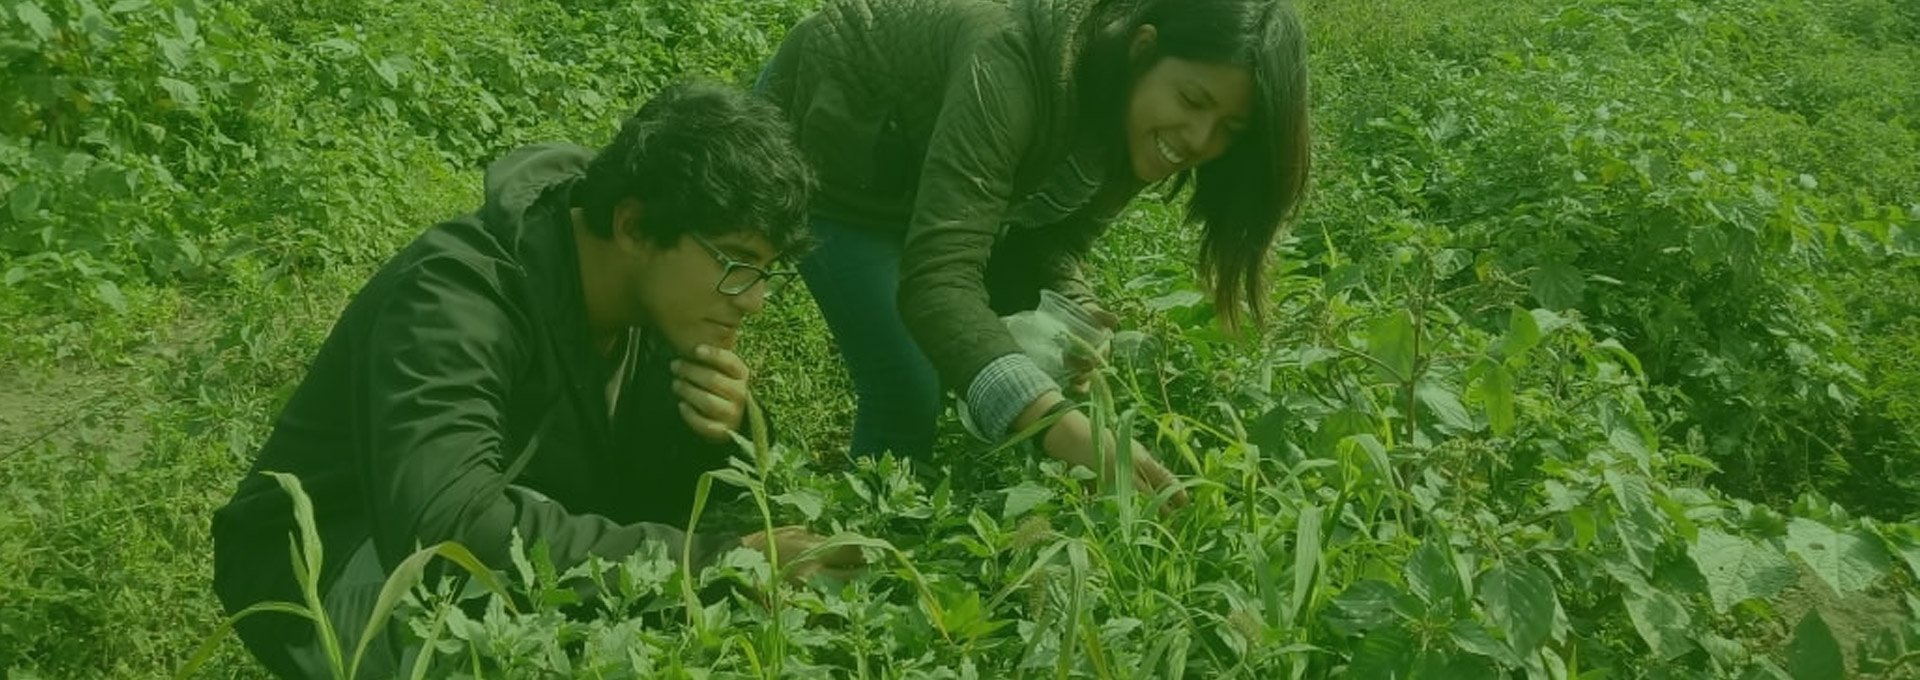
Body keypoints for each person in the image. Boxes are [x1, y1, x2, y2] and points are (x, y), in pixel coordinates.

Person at [209, 80, 859, 678]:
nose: (752, 300)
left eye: (764, 273)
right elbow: (445, 531)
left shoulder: (659, 318)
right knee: (546, 644)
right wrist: (724, 559)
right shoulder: (457, 295)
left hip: (466, 533)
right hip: (325, 565)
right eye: (736, 262)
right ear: (634, 226)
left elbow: (639, 517)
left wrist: (709, 436)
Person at [755, 0, 1311, 499]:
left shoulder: (1134, 116)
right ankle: (855, 567)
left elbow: (1049, 236)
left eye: (1228, 129)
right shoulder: (1009, 64)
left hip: (912, 177)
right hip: (825, 154)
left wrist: (1074, 311)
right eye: (1193, 100)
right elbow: (938, 280)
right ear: (1142, 50)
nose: (1198, 138)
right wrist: (1054, 424)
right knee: (907, 378)